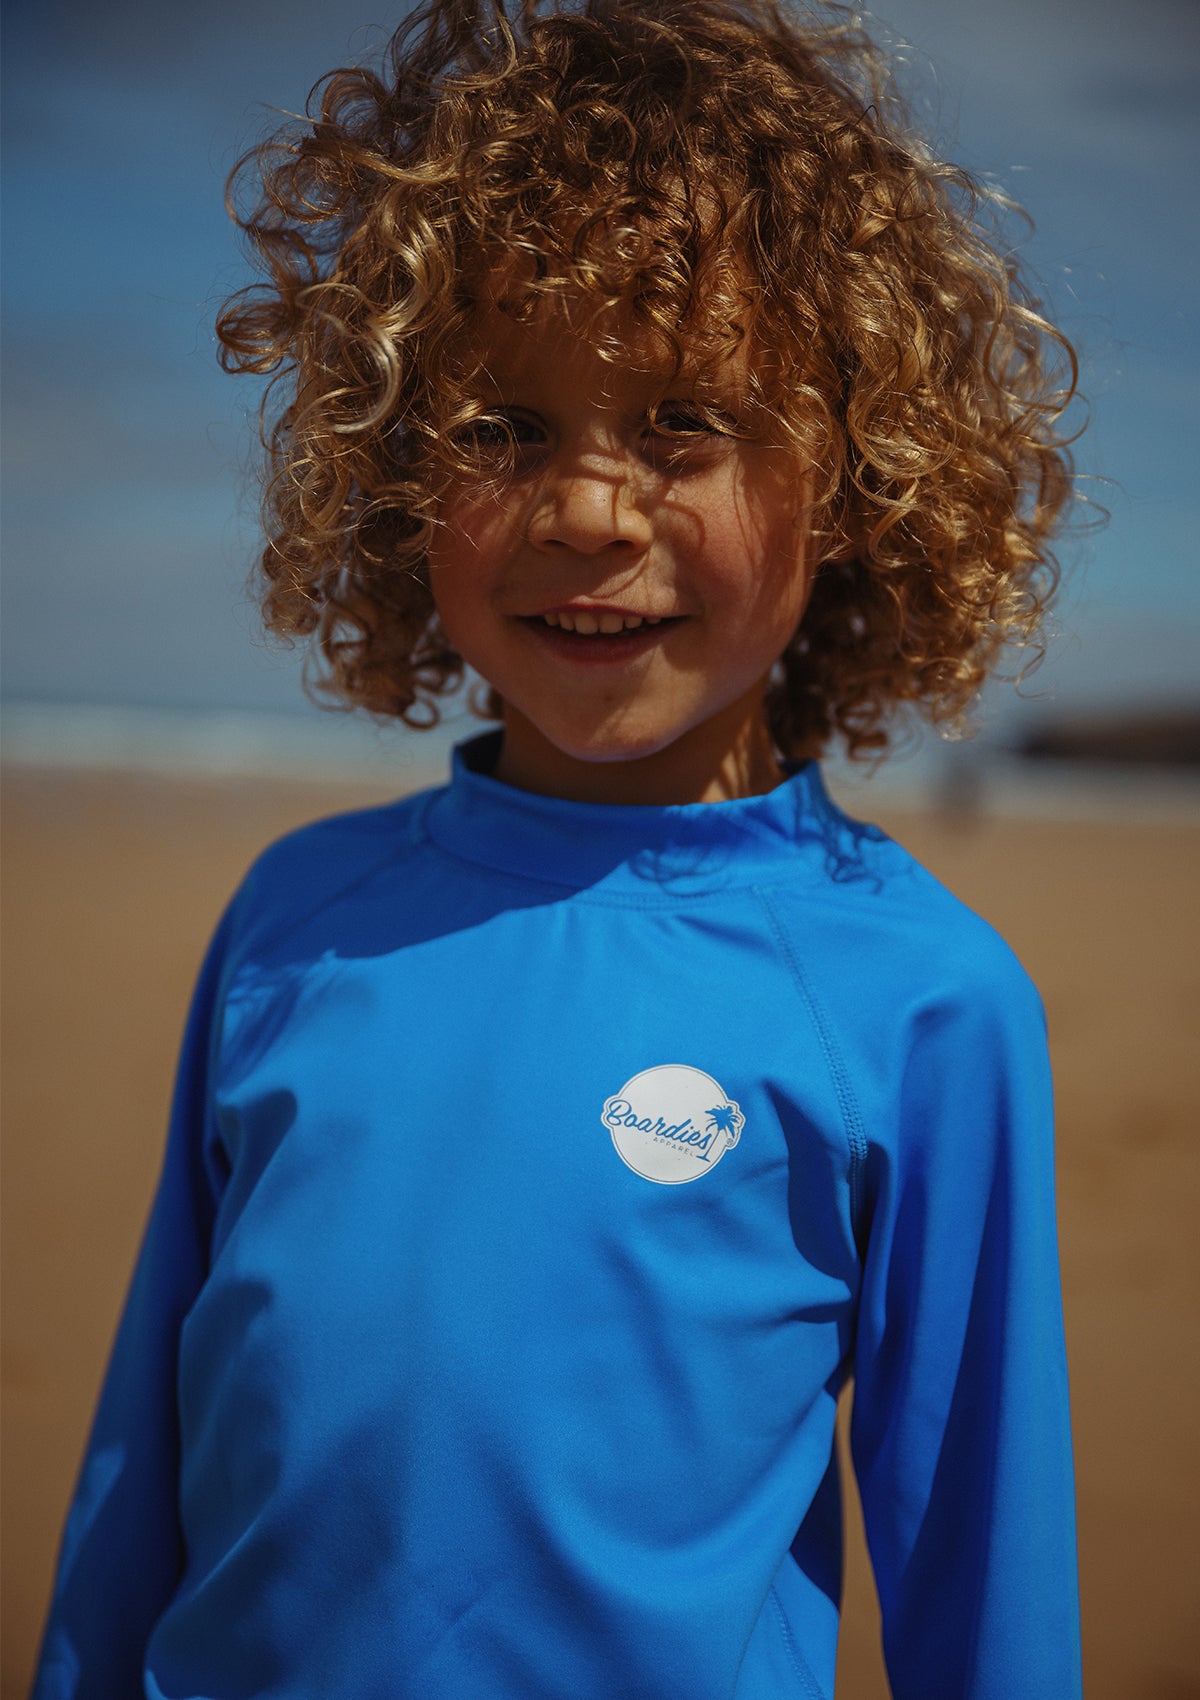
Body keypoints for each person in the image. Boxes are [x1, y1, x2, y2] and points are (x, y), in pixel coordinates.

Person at [32, 2, 1084, 1695]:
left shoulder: (924, 1002)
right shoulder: (298, 916)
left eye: (686, 419)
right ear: (386, 468)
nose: (588, 511)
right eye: (499, 429)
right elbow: (140, 1458)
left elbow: (987, 1583)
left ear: (862, 471)